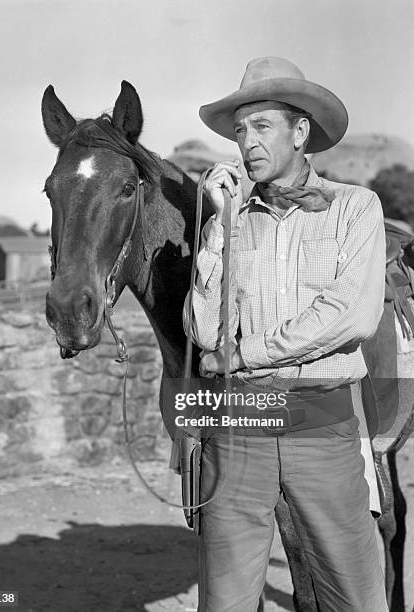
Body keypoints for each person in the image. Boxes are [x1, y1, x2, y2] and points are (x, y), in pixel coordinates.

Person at [183, 57, 388, 611]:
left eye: (262, 126)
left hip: (322, 430)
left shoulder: (354, 208)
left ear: (301, 133)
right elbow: (204, 331)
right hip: (240, 431)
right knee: (225, 601)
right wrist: (217, 233)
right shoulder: (227, 222)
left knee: (356, 596)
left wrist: (245, 354)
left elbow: (351, 315)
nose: (247, 142)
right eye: (240, 129)